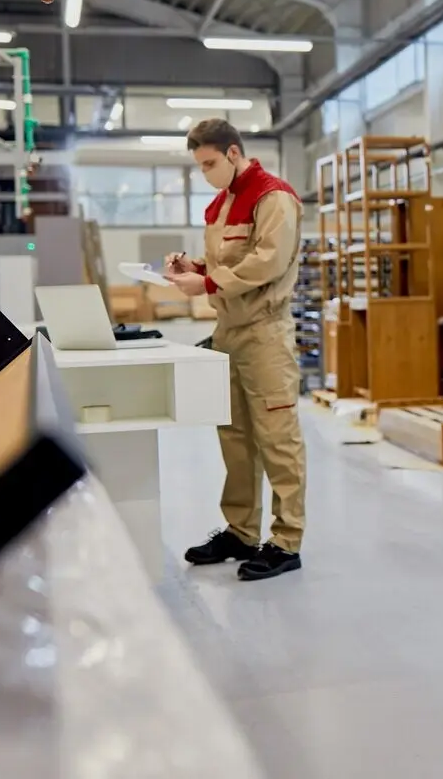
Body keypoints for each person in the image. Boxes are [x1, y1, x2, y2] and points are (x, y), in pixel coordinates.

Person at [165, 118, 307, 582]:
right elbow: (229, 260)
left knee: (278, 438)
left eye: (209, 163)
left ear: (232, 153)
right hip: (229, 332)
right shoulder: (221, 205)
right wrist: (194, 265)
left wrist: (205, 281)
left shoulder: (273, 197)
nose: (205, 173)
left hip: (265, 334)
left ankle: (286, 542)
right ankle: (241, 531)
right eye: (199, 166)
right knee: (236, 437)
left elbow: (267, 260)